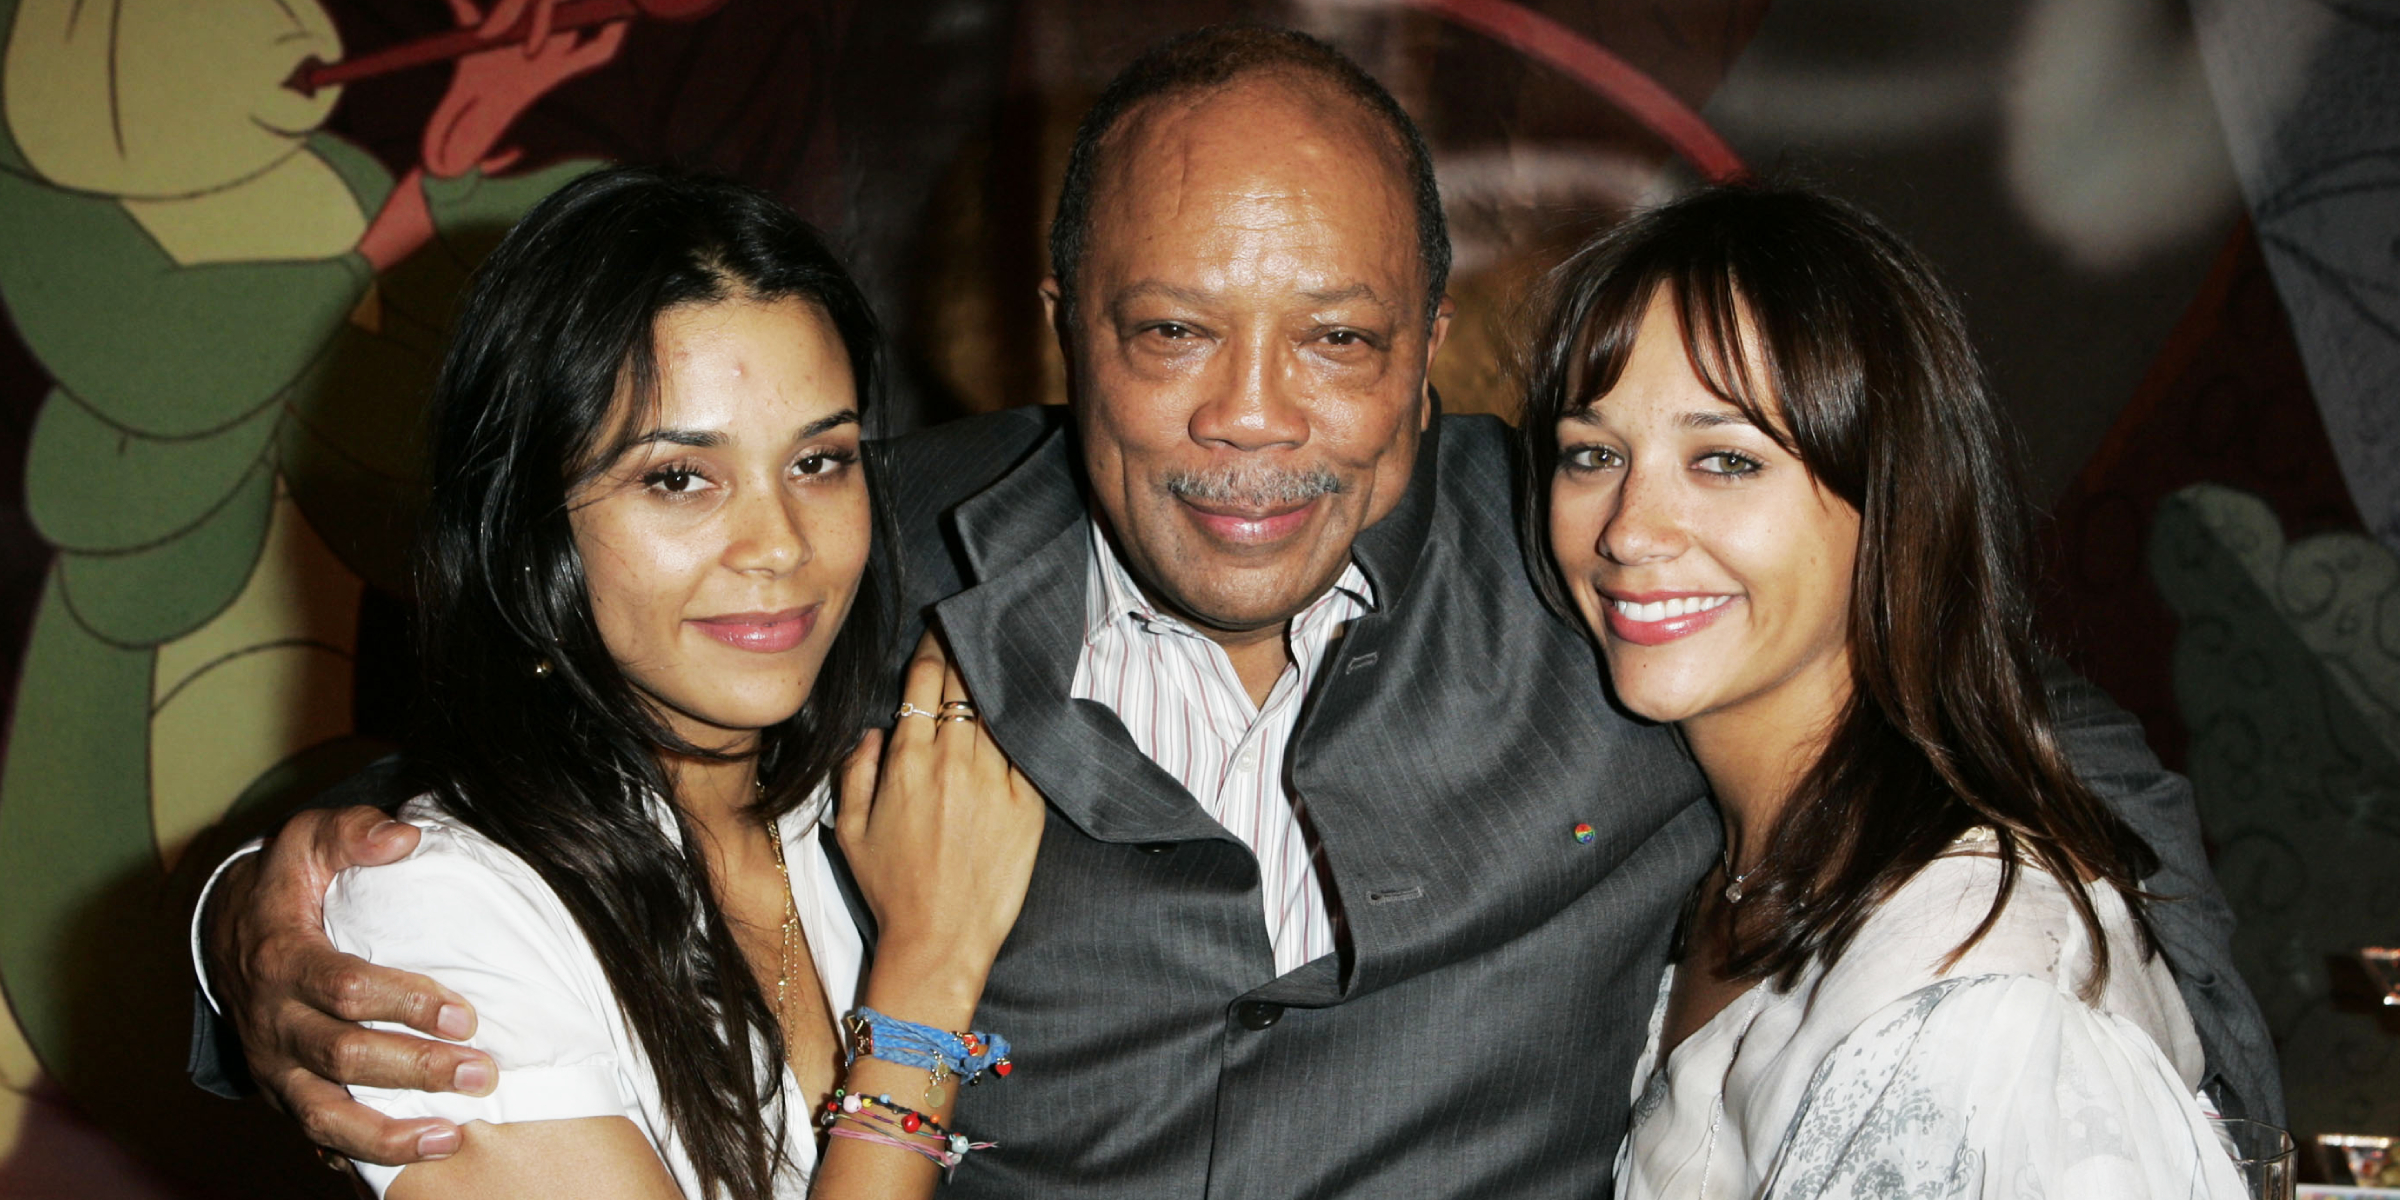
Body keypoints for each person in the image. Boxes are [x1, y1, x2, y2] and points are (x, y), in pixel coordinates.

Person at [189, 27, 2280, 1198]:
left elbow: (2025, 758)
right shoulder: (870, 551)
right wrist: (253, 917)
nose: (1252, 426)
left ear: (1433, 350)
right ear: (1058, 335)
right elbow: (537, 739)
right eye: (1174, 330)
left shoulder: (1608, 574)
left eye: (1342, 339)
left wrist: (2204, 1142)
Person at [293, 164, 1045, 1198]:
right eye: (678, 478)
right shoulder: (442, 915)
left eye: (819, 461)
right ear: (527, 524)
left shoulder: (874, 796)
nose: (779, 544)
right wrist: (926, 979)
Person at [1518, 184, 2247, 1197]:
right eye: (1592, 454)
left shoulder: (1979, 990)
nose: (1630, 530)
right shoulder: (1740, 865)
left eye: (1725, 460)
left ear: (1895, 497)